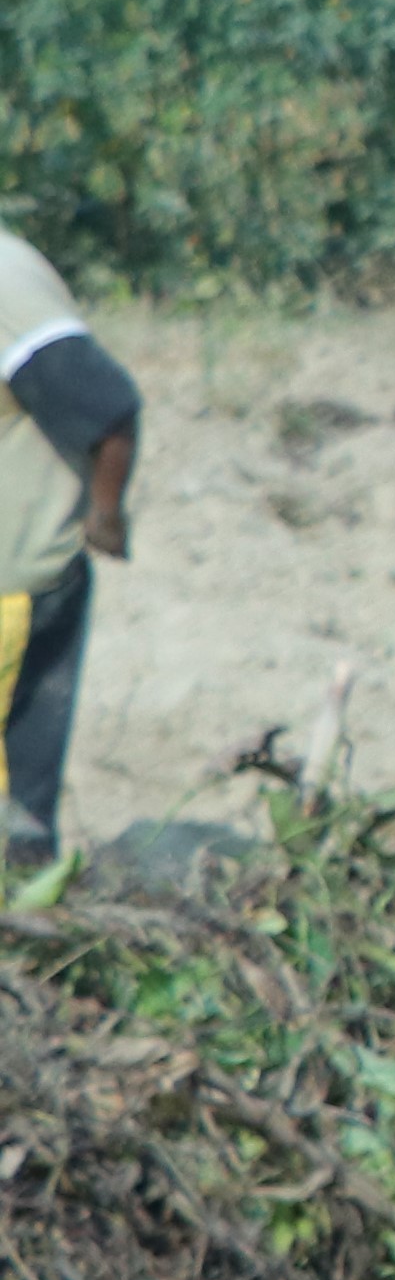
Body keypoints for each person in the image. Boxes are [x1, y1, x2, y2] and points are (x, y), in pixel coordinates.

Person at [1, 229, 141, 872]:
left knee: (10, 810)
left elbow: (106, 404)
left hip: (15, 584)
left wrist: (103, 518)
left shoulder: (6, 286)